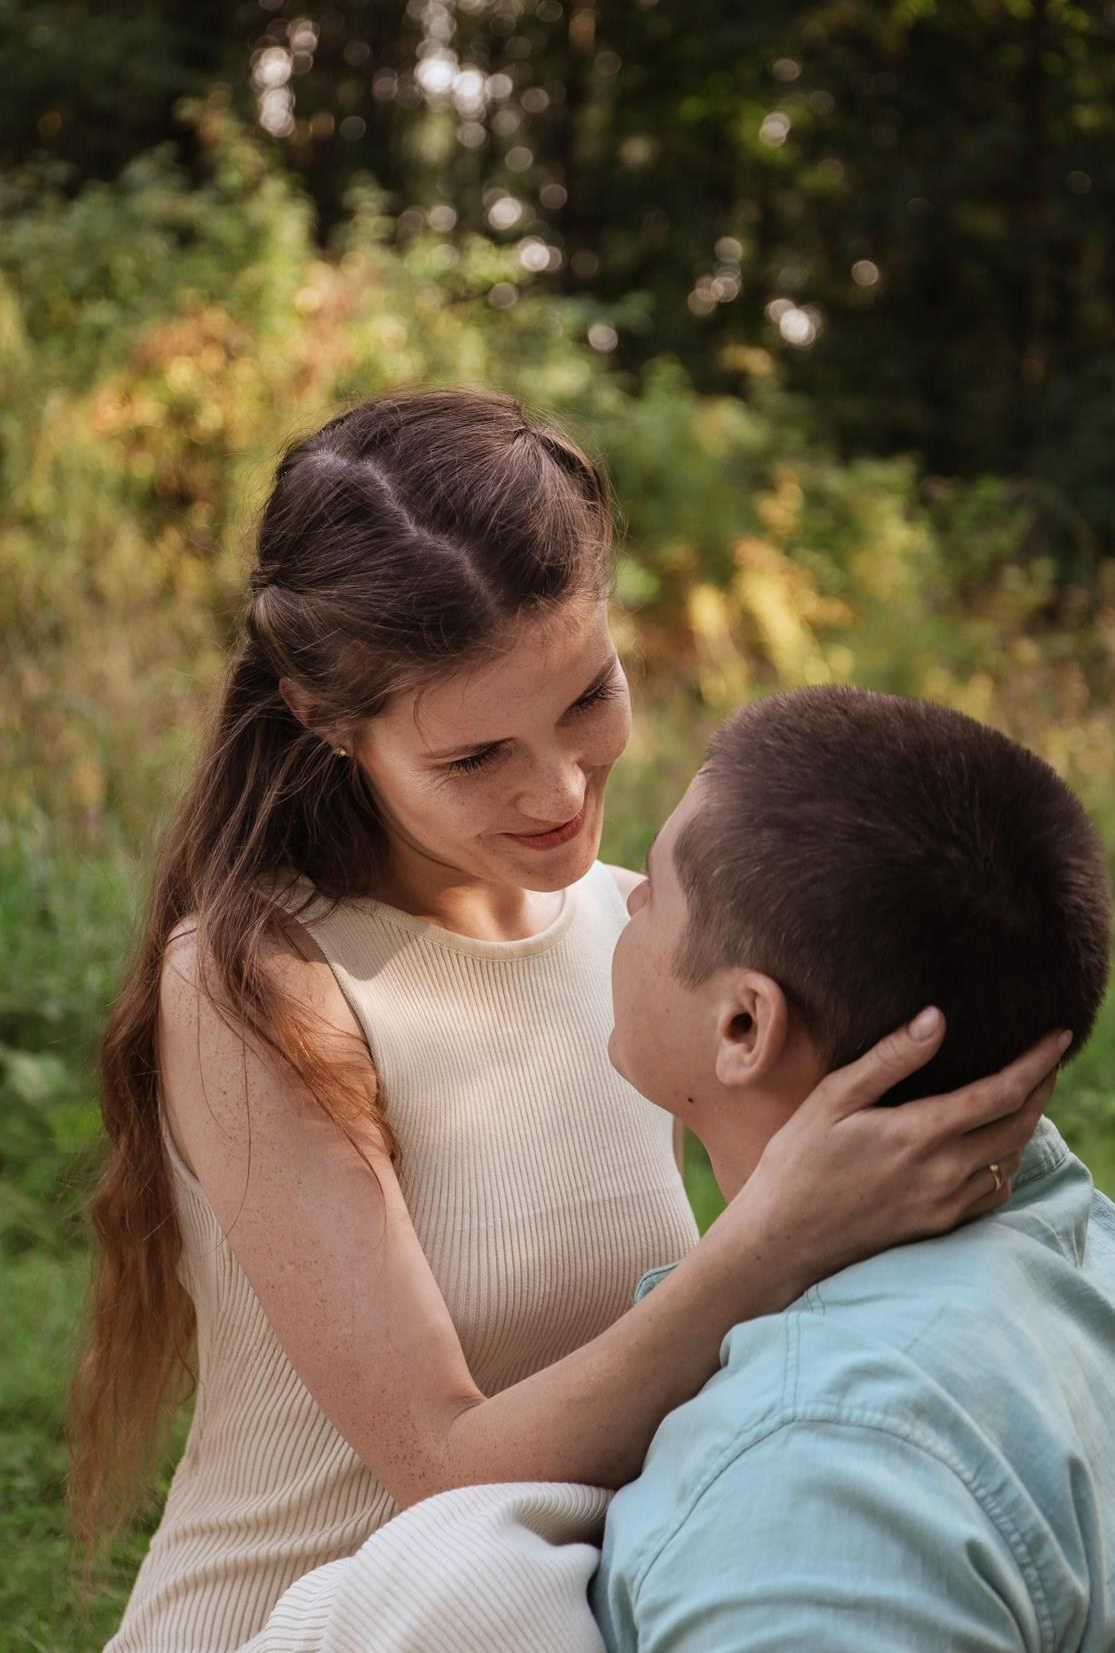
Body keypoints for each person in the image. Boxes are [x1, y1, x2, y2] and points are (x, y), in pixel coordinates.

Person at [72, 389, 1061, 1653]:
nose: (556, 791)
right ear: (329, 726)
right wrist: (766, 1241)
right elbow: (445, 1469)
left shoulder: (638, 934)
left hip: (568, 1611)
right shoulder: (260, 979)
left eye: (587, 694)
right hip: (317, 1621)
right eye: (473, 757)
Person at [594, 685, 1115, 1651]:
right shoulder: (1081, 1246)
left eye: (655, 884)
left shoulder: (813, 1483)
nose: (626, 896)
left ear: (744, 1024)